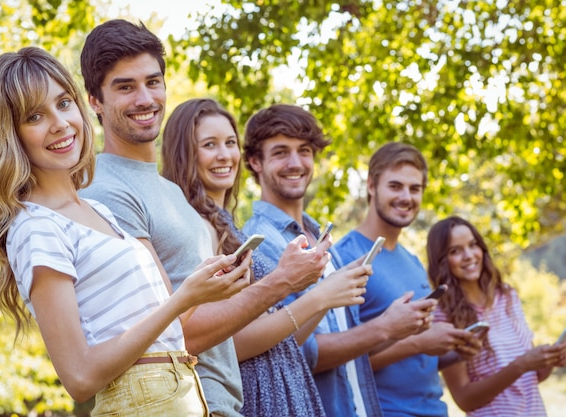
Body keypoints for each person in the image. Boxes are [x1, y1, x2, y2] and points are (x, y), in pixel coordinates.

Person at [0, 47, 252, 416]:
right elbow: (79, 375)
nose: (60, 123)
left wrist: (203, 287)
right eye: (35, 115)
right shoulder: (36, 227)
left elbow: (151, 323)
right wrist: (182, 300)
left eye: (64, 103)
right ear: (11, 134)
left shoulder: (97, 210)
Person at [78, 20, 331, 417]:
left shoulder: (171, 194)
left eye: (153, 81)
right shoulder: (106, 191)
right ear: (95, 100)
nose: (145, 98)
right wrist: (282, 282)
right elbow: (172, 331)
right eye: (125, 87)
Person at [161, 98, 373, 416]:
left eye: (229, 142)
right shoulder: (192, 226)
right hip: (254, 397)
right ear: (186, 153)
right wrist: (316, 297)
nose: (224, 155)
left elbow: (276, 333)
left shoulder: (228, 227)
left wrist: (324, 293)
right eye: (209, 145)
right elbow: (226, 345)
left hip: (285, 386)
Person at [242, 104, 439, 417]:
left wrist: (399, 326)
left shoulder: (321, 237)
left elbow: (351, 347)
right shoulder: (258, 244)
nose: (295, 163)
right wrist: (386, 327)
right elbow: (287, 352)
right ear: (255, 162)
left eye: (304, 151)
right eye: (281, 152)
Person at [331, 141, 482, 416]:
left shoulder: (411, 261)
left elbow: (413, 356)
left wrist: (454, 349)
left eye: (415, 189)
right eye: (395, 186)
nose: (406, 197)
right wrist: (419, 343)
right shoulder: (345, 257)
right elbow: (338, 362)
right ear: (371, 186)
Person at [427, 215, 566, 416]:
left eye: (473, 245)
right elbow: (464, 399)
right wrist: (521, 365)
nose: (468, 255)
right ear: (442, 261)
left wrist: (551, 360)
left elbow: (532, 377)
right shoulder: (443, 316)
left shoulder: (507, 296)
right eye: (455, 251)